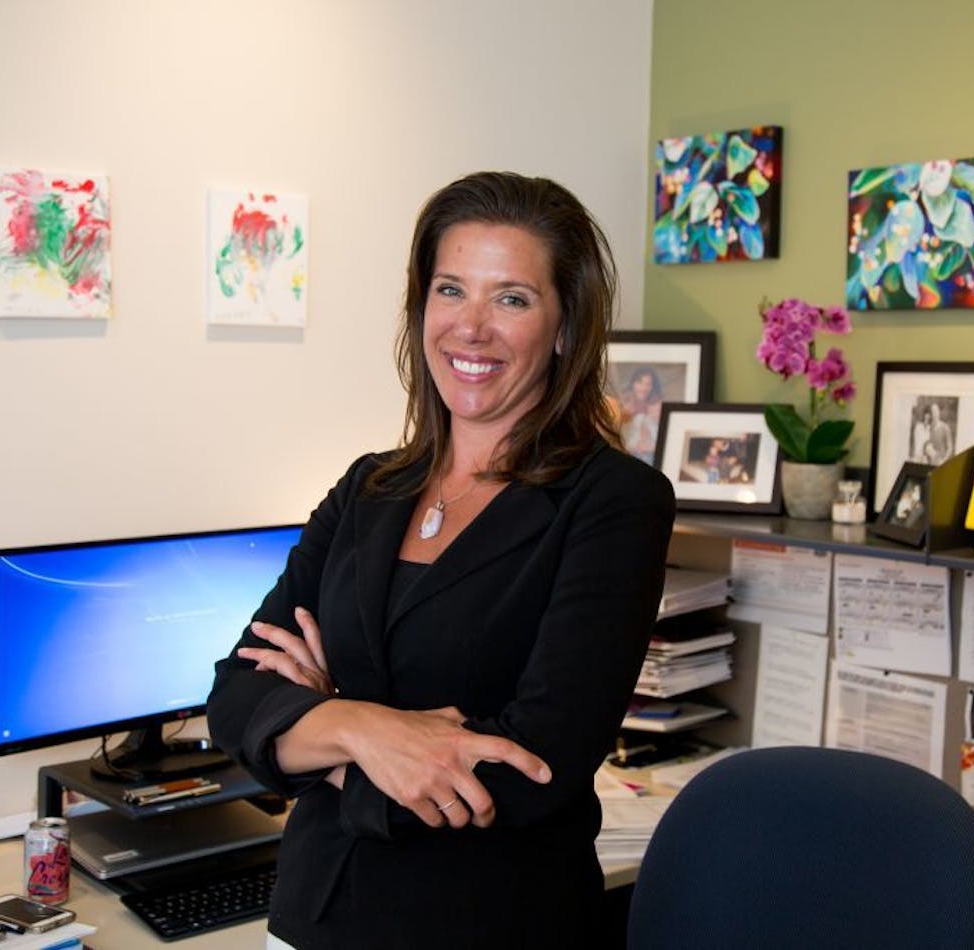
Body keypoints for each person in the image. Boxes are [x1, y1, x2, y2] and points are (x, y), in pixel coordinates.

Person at [206, 171, 676, 949]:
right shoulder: (369, 488)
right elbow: (235, 696)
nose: (471, 327)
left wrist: (314, 734)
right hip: (312, 917)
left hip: (488, 923)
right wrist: (366, 730)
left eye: (512, 298)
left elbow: (532, 767)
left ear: (564, 328)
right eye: (451, 290)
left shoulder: (613, 501)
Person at [617, 365, 663, 464]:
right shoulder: (624, 404)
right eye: (639, 382)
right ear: (633, 384)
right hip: (627, 455)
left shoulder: (656, 406)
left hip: (651, 455)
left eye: (648, 384)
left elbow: (663, 438)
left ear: (652, 387)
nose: (643, 388)